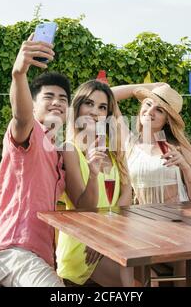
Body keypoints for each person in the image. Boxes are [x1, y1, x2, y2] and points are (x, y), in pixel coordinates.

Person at [0, 34, 71, 287]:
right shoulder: (29, 131)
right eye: (48, 97)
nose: (57, 102)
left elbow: (100, 97)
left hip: (41, 255)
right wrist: (19, 73)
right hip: (13, 249)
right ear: (32, 104)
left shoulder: (58, 149)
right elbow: (21, 116)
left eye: (63, 99)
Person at [112, 82, 191, 286]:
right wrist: (144, 87)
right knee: (147, 279)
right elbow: (108, 95)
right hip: (143, 224)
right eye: (147, 104)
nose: (150, 112)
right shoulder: (129, 142)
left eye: (159, 110)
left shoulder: (178, 146)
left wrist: (184, 166)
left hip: (180, 224)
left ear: (167, 120)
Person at [56, 80, 134, 286]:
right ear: (78, 107)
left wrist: (107, 235)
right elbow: (84, 209)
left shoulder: (113, 151)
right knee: (131, 278)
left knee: (150, 267)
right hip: (83, 246)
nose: (94, 111)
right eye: (89, 104)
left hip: (111, 240)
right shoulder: (69, 149)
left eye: (102, 107)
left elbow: (127, 196)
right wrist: (92, 173)